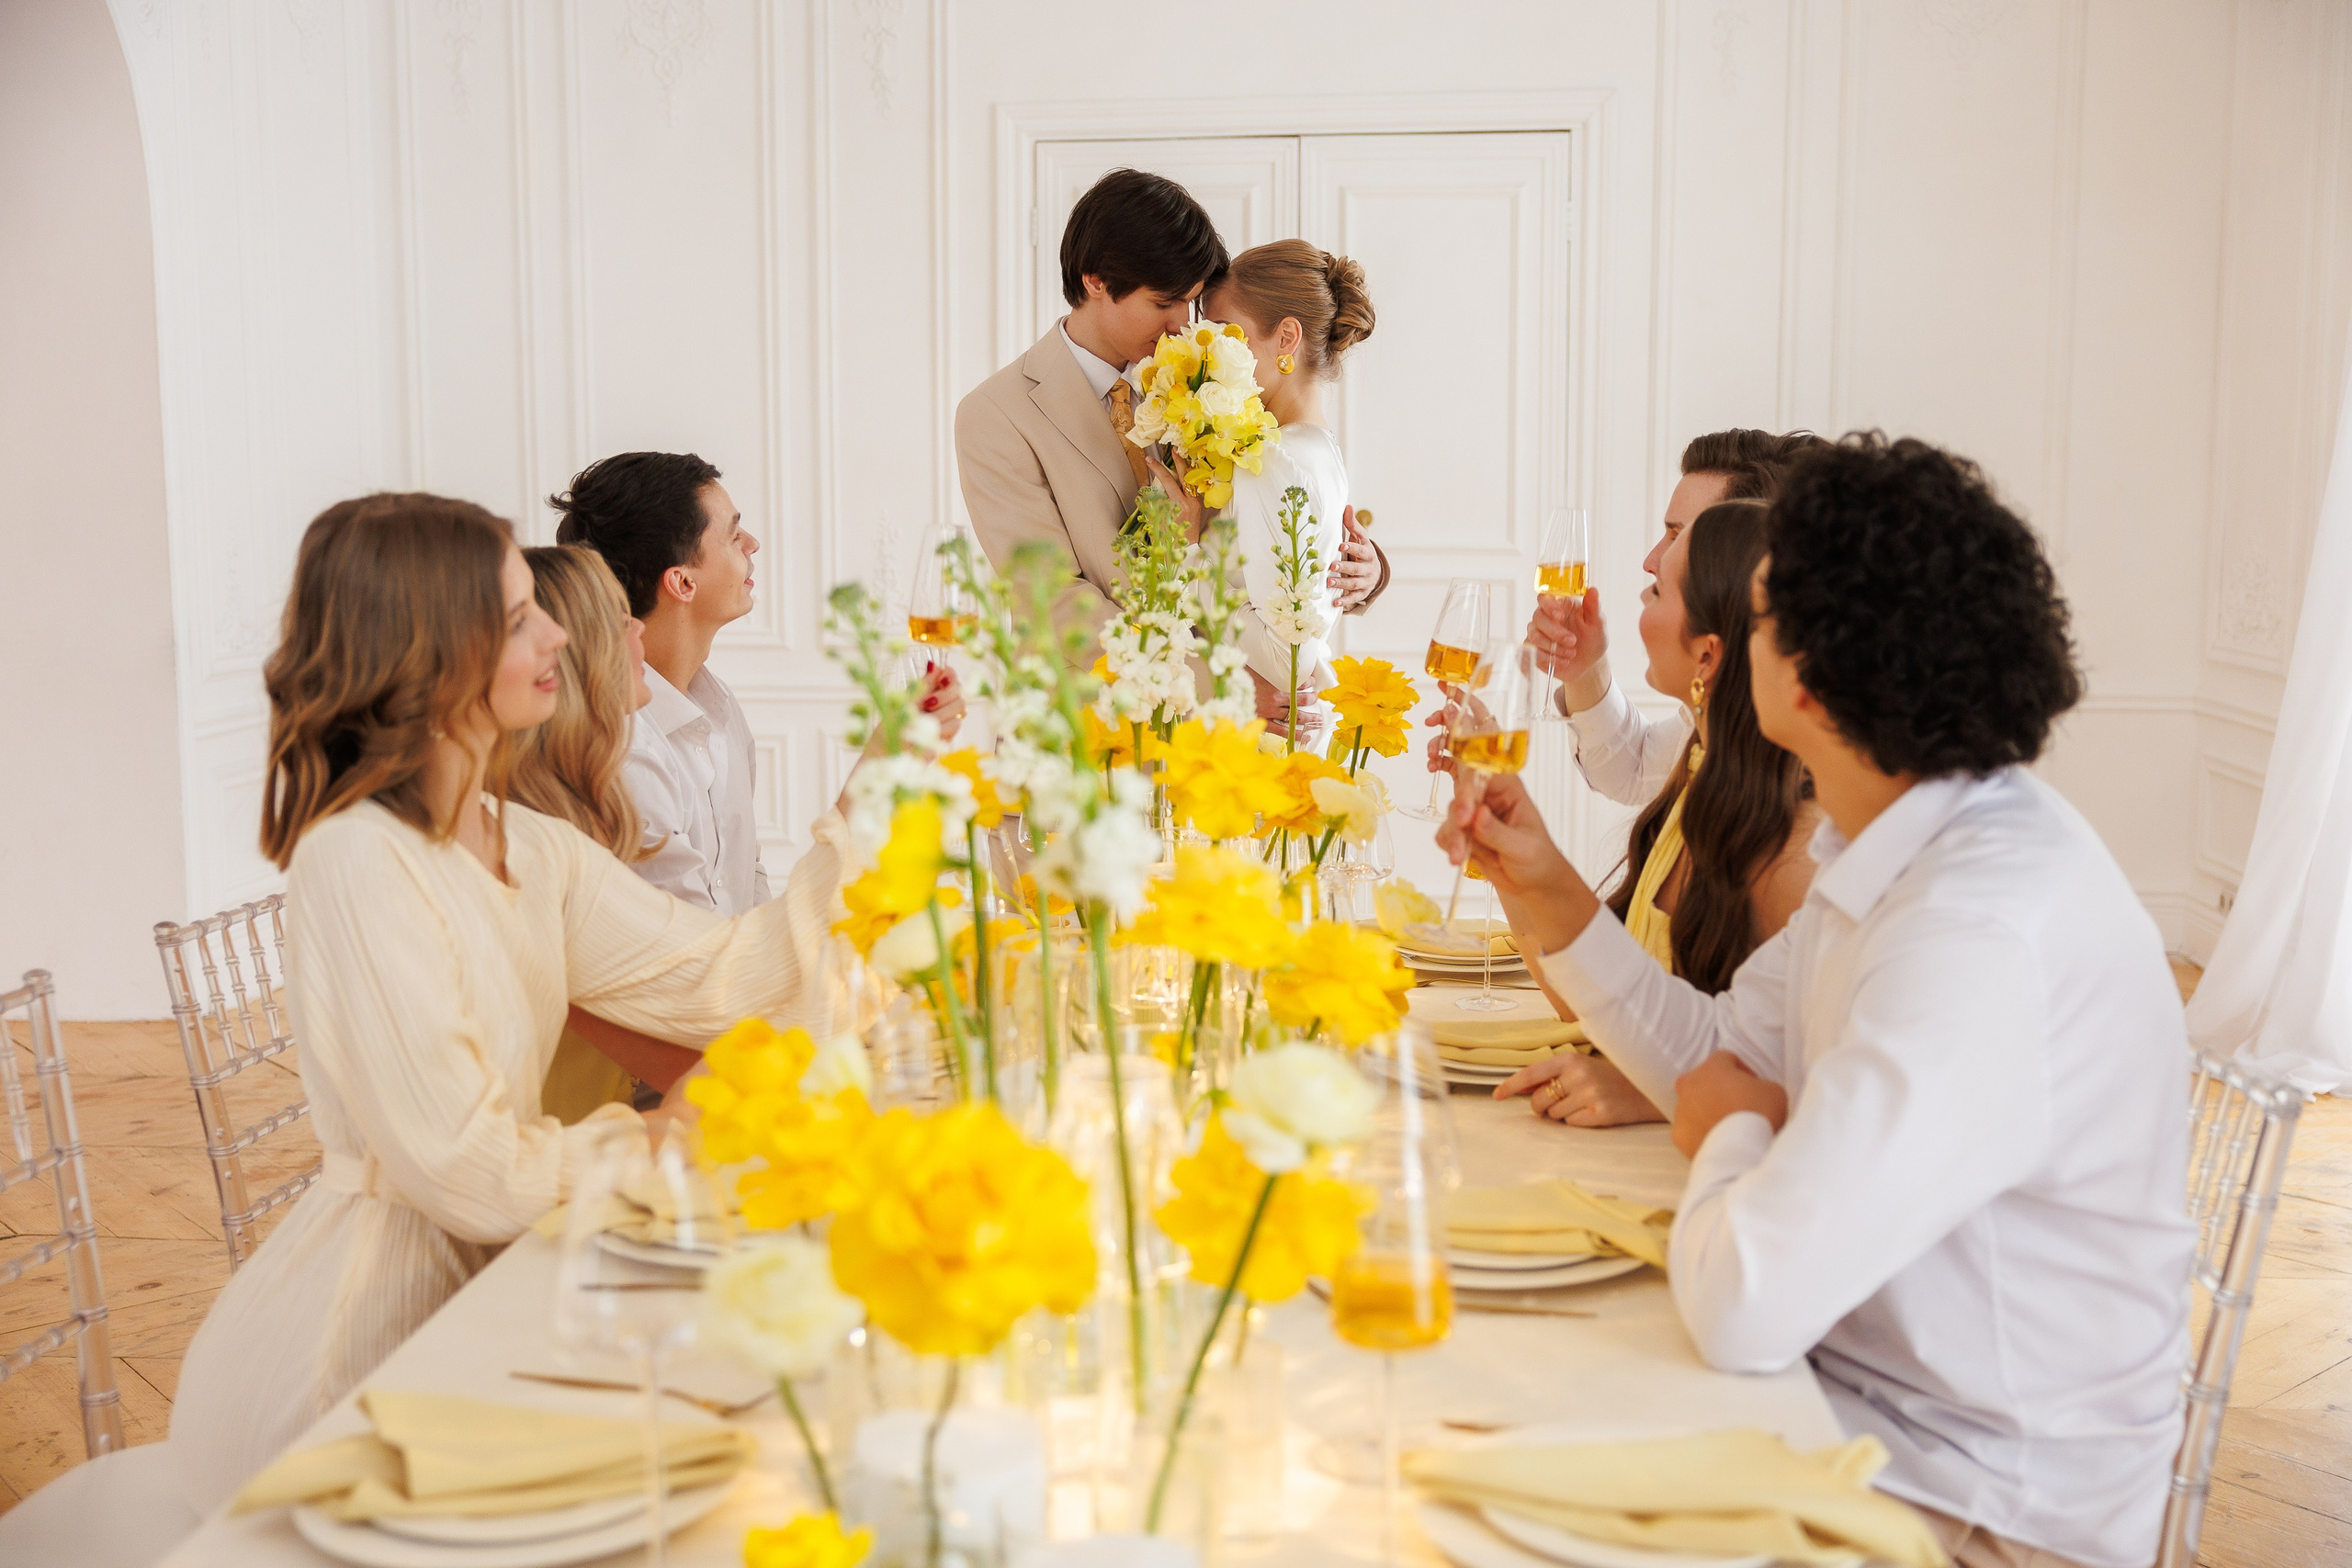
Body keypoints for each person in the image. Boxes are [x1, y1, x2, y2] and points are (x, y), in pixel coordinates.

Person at [1442, 434, 2194, 1568]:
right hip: (1859, 1401)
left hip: (1982, 1508)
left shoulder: (1974, 930)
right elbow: (1711, 1046)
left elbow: (1746, 1296)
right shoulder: (1890, 839)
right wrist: (1541, 883)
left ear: (1797, 675)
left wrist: (1734, 1129)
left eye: (1752, 612)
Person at [171, 494, 856, 1511]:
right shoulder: (361, 859)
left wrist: (872, 808)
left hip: (504, 1291)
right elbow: (471, 1170)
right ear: (428, 652)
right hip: (349, 1370)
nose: (556, 638)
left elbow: (724, 978)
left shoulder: (523, 842)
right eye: (515, 618)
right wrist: (666, 1135)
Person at [955, 169, 1389, 666]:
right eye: (1164, 302)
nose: (1184, 325)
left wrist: (1364, 571)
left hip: (1221, 727)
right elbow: (1054, 605)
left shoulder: (1210, 378)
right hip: (1088, 721)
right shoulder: (996, 414)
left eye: (1190, 301)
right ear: (1095, 280)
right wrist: (1215, 685)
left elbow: (1276, 515)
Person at [1490, 500, 1818, 1128]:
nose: (1640, 601)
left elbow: (1806, 1085)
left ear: (1707, 656)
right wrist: (1507, 857)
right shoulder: (1698, 776)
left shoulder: (1795, 853)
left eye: (1656, 587)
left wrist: (1647, 1090)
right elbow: (1596, 998)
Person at [550, 450, 960, 914]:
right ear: (682, 582)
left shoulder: (718, 706)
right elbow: (699, 957)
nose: (753, 543)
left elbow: (746, 887)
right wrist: (882, 767)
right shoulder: (627, 753)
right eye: (732, 534)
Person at [1521, 428, 1822, 805]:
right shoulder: (1721, 710)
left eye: (1680, 538)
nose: (1651, 562)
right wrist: (1585, 670)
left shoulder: (1808, 780)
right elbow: (1638, 772)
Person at [512, 544, 703, 1122]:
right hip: (561, 1181)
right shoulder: (542, 845)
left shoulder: (582, 810)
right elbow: (683, 1065)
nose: (636, 626)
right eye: (614, 615)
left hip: (601, 1135)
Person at [1167, 239, 1379, 739]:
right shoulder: (1319, 447)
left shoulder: (1271, 459)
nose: (1210, 352)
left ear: (1286, 338)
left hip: (1266, 728)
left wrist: (1196, 546)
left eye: (1225, 334)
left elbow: (1288, 654)